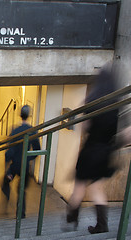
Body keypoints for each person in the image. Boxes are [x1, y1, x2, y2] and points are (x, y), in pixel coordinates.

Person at [64, 67, 119, 234]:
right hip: (106, 150)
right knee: (97, 189)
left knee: (79, 187)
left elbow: (85, 126)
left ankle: (72, 218)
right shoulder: (116, 102)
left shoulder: (93, 100)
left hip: (91, 149)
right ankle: (102, 225)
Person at [1, 105, 41, 218]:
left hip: (14, 166)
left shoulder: (14, 130)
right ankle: (21, 213)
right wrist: (28, 158)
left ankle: (6, 204)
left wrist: (6, 168)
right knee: (22, 189)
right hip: (24, 166)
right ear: (29, 116)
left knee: (4, 183)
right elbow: (37, 150)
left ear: (20, 115)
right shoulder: (32, 131)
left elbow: (9, 151)